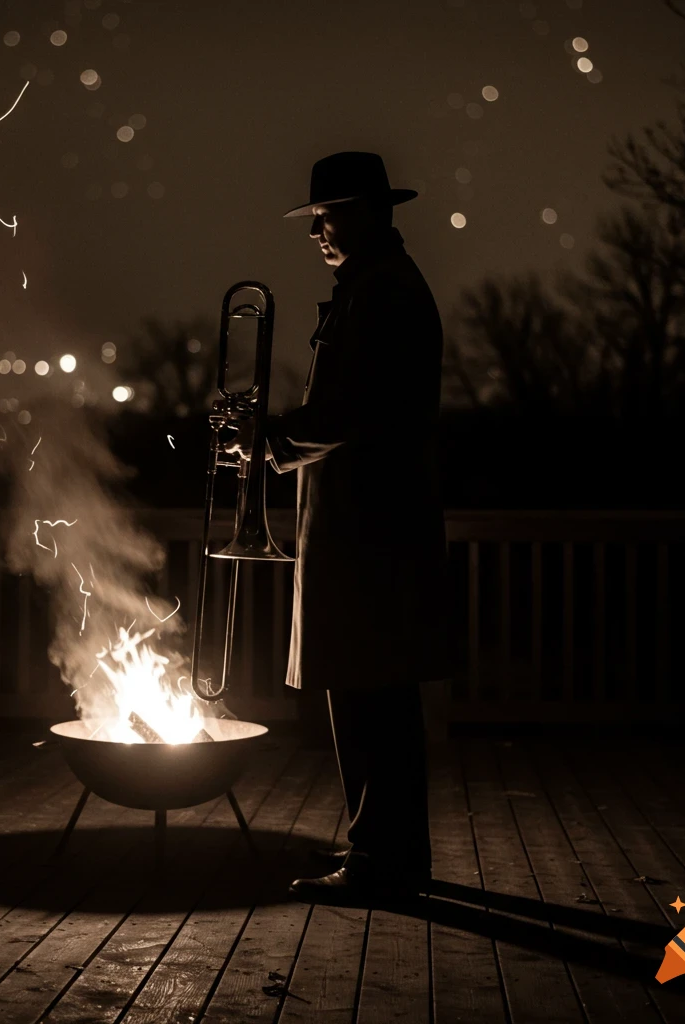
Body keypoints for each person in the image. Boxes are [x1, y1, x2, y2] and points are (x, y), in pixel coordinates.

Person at [226, 151, 452, 903]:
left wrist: (266, 439)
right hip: (369, 530)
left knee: (367, 704)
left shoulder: (380, 293)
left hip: (368, 536)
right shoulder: (375, 287)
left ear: (362, 214)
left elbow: (358, 410)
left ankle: (378, 863)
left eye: (325, 215)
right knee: (373, 701)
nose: (316, 230)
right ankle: (388, 859)